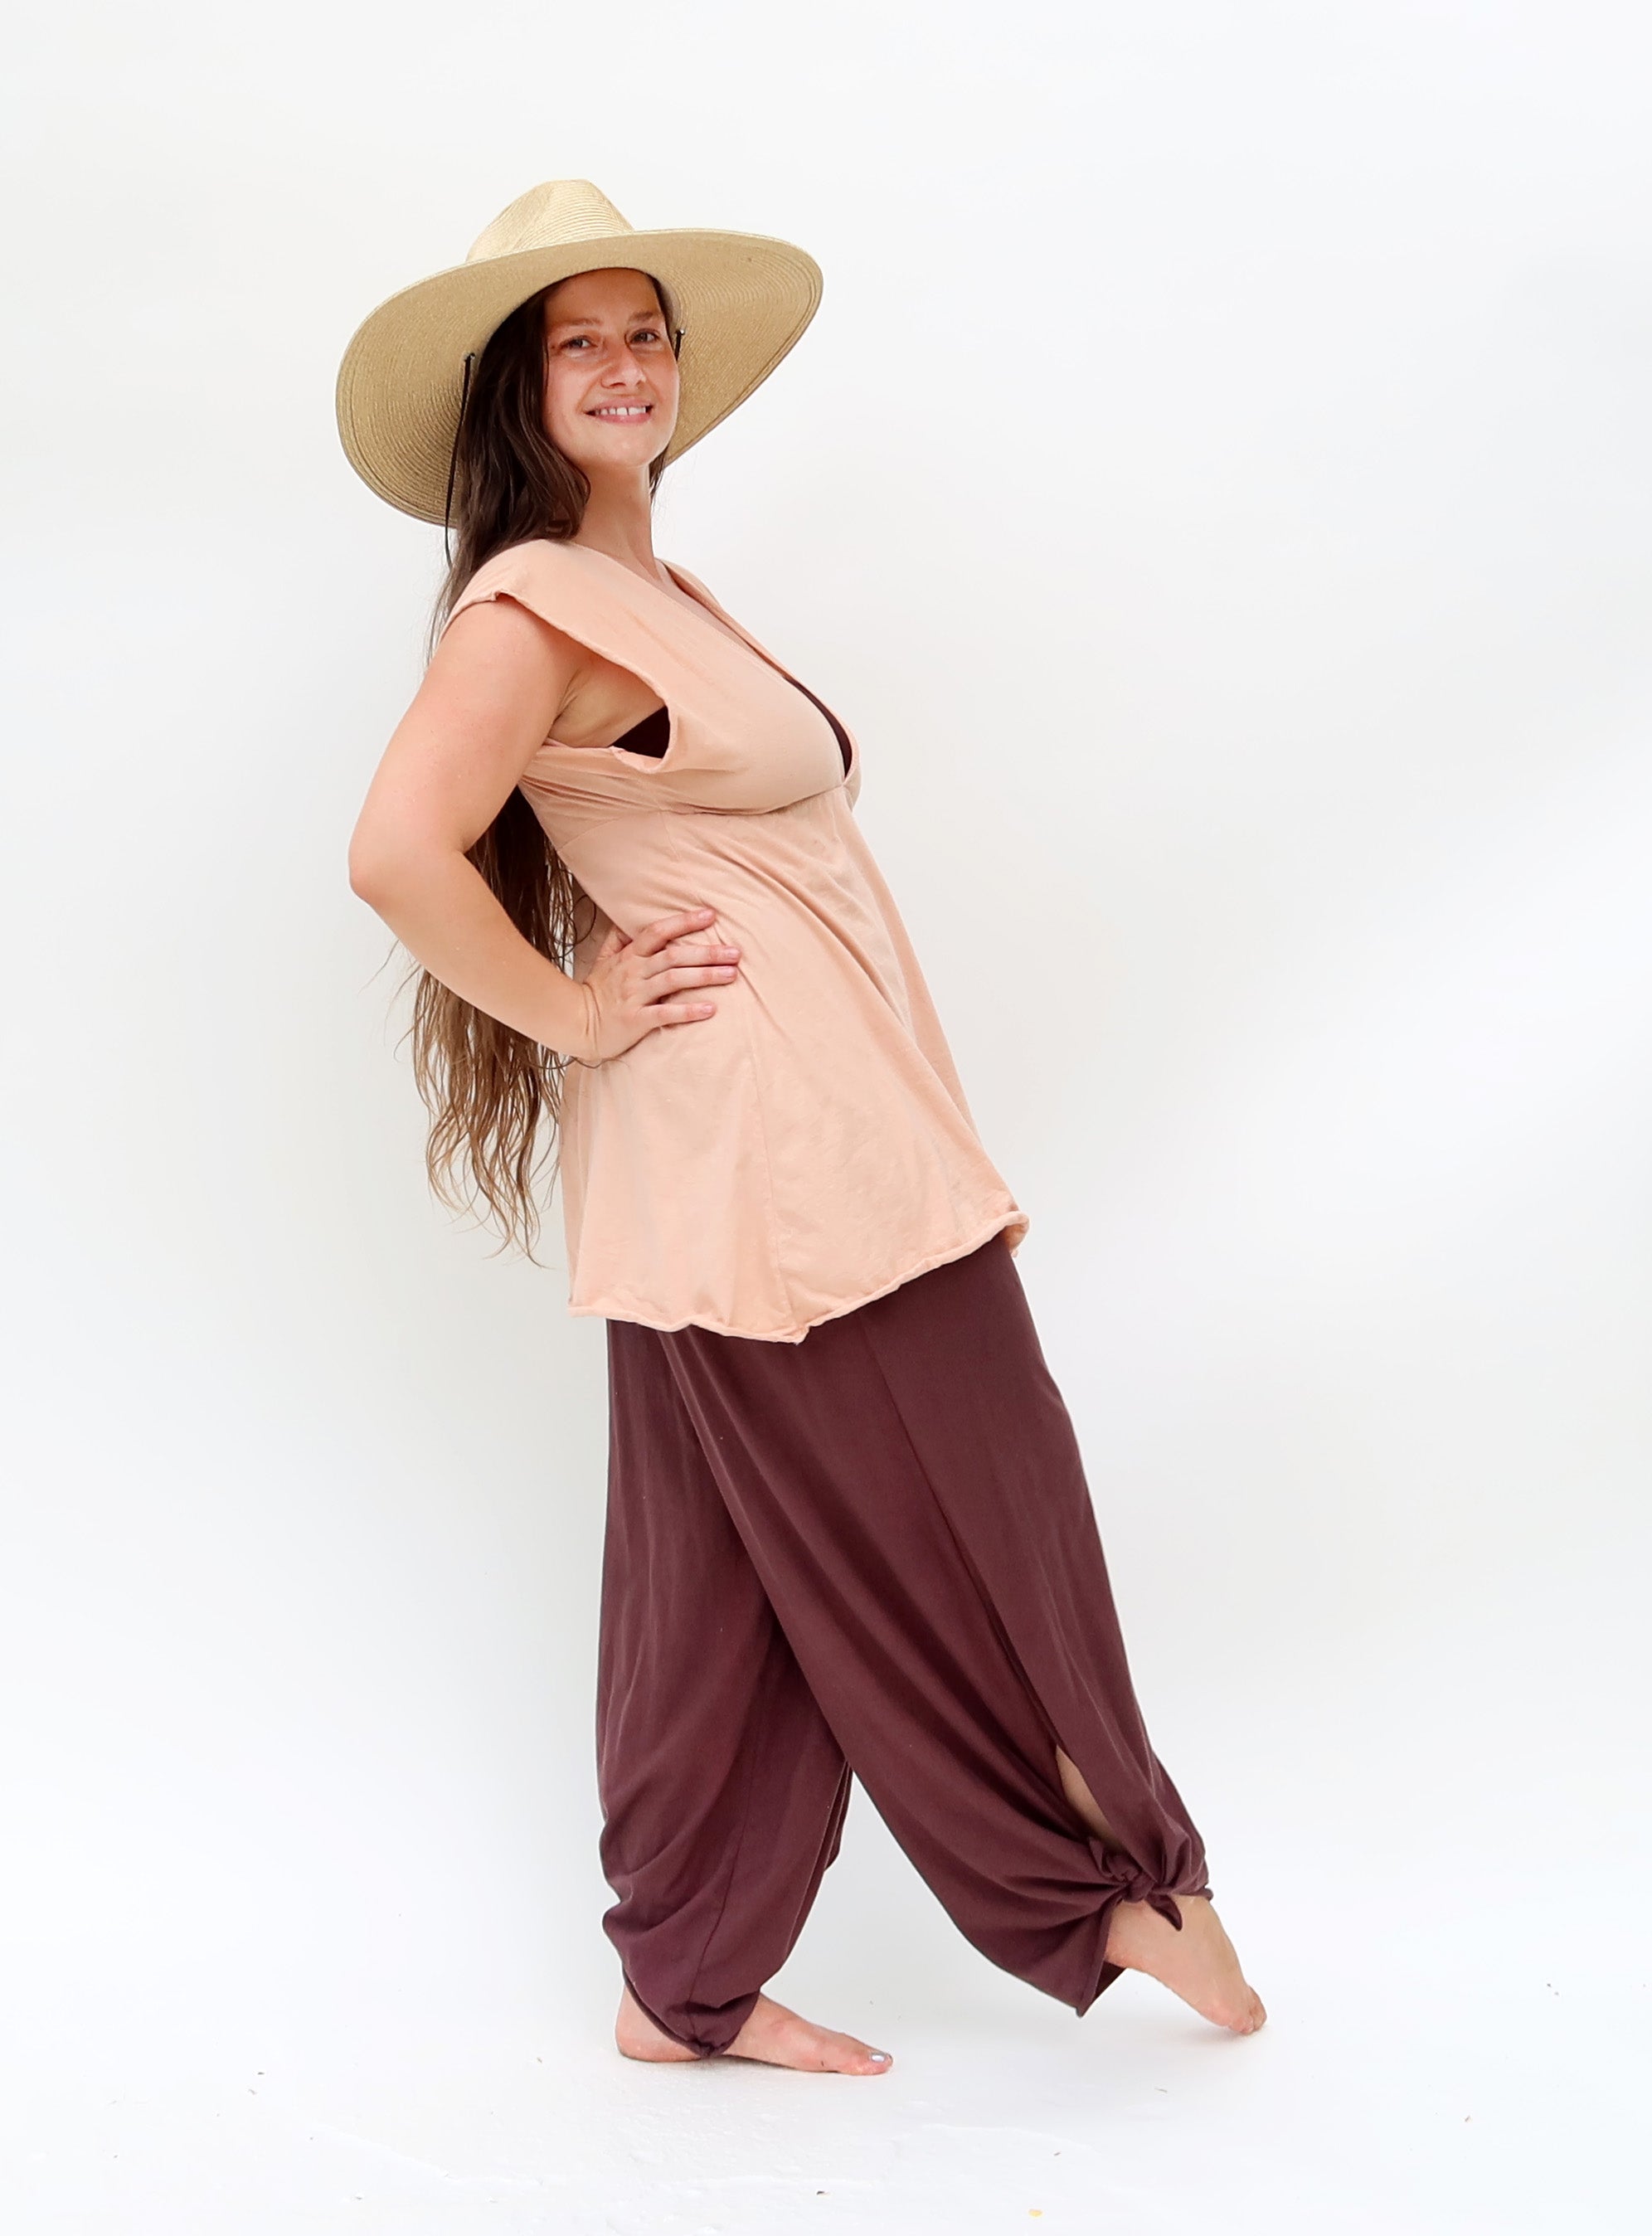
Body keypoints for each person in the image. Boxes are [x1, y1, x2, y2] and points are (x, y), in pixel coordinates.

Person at [338, 178, 1266, 2076]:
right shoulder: (530, 608)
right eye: (578, 341)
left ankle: (679, 1973)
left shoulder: (658, 597)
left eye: (645, 333)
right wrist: (580, 1012)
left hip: (768, 1131)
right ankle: (1112, 1877)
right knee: (994, 1480)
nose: (623, 365)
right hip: (770, 1141)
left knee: (714, 1573)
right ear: (520, 388)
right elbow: (395, 850)